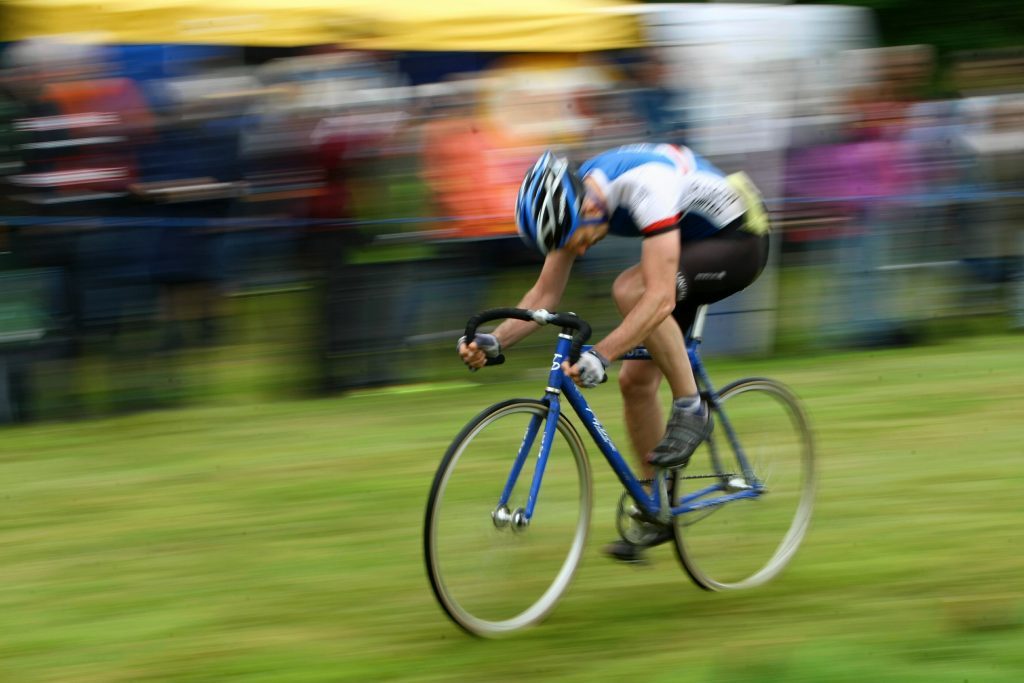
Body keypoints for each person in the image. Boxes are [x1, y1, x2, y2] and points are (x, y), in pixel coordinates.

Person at [457, 143, 771, 563]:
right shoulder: (575, 205)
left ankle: (691, 406)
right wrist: (494, 342)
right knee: (635, 382)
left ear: (587, 206)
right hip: (686, 251)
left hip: (736, 241)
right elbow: (545, 295)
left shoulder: (645, 185)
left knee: (631, 289)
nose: (579, 249)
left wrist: (601, 354)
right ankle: (655, 507)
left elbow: (658, 297)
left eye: (576, 239)